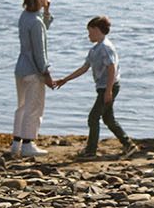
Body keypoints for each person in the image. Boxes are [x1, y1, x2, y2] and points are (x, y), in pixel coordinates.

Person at [57, 15, 136, 159]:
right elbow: (84, 67)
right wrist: (65, 79)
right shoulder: (94, 49)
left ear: (97, 30)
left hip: (109, 86)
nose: (88, 34)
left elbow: (112, 68)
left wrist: (109, 91)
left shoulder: (106, 48)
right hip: (102, 87)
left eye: (90, 31)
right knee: (108, 119)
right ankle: (128, 144)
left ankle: (91, 151)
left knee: (93, 118)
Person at [12, 0, 58, 159]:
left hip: (21, 69)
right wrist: (46, 74)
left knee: (22, 107)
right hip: (33, 71)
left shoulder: (25, 17)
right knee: (35, 108)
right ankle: (28, 143)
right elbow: (40, 52)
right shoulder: (36, 22)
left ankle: (16, 143)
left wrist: (46, 12)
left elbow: (42, 28)